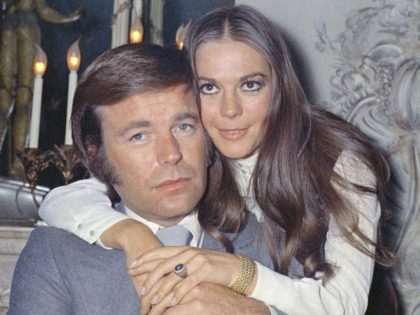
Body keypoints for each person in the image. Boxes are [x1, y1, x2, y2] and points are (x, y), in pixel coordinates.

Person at [38, 5, 392, 315]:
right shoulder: (197, 143)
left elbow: (346, 306)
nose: (230, 111)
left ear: (280, 87)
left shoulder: (339, 163)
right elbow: (67, 198)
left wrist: (237, 273)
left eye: (250, 85)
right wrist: (134, 236)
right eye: (209, 88)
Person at [8, 43, 280, 315]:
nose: (171, 154)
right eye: (138, 136)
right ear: (96, 154)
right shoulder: (55, 254)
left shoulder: (269, 238)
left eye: (184, 127)